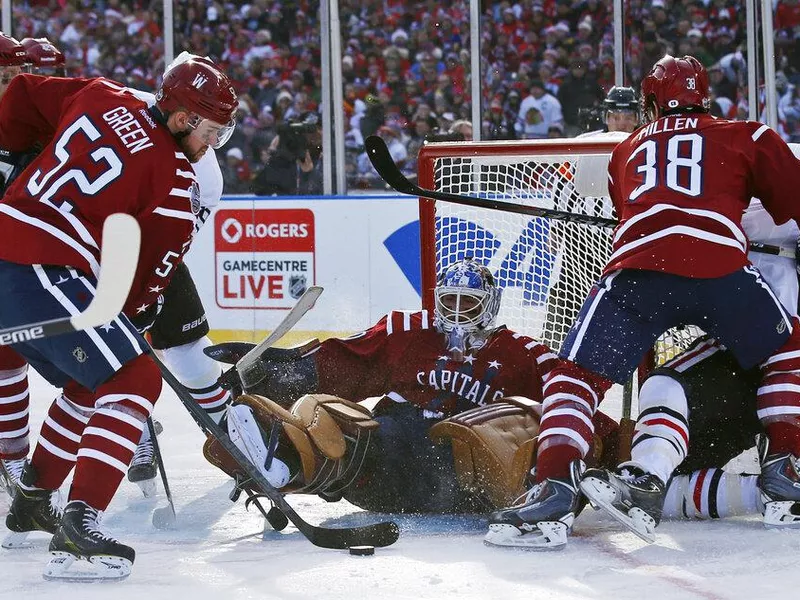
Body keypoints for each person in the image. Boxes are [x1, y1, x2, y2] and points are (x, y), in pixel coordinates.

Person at [489, 55, 800, 548]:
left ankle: (552, 487)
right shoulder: (749, 134)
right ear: (705, 96)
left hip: (635, 272)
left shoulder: (627, 146)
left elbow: (634, 210)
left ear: (650, 102)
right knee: (787, 349)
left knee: (575, 374)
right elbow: (793, 202)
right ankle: (786, 470)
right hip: (721, 269)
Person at [0, 56, 237, 580]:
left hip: (10, 248)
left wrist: (15, 156)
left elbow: (20, 97)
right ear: (181, 118)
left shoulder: (104, 93)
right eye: (211, 131)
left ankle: (33, 500)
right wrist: (136, 326)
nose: (212, 145)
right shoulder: (177, 185)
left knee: (93, 380)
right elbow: (138, 292)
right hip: (40, 268)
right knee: (135, 374)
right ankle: (79, 527)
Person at [541, 86, 639, 351]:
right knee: (565, 298)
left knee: (624, 302)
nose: (622, 121)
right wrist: (556, 229)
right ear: (606, 117)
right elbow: (563, 185)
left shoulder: (646, 142)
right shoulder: (587, 141)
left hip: (623, 239)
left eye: (628, 114)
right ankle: (551, 353)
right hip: (581, 236)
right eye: (616, 115)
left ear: (637, 116)